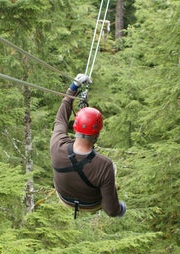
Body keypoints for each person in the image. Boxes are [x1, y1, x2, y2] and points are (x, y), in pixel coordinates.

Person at [50, 74, 126, 219]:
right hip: (91, 204)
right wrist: (119, 209)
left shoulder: (57, 146)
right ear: (97, 133)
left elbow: (60, 121)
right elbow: (110, 211)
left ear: (75, 126)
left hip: (65, 198)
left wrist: (73, 88)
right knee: (112, 171)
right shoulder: (104, 166)